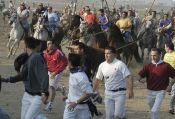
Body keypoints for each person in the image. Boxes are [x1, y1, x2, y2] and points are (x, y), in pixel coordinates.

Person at [2, 37, 49, 119]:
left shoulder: (36, 57)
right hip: (27, 94)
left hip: (37, 96)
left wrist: (44, 92)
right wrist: (7, 80)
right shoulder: (29, 57)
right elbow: (22, 75)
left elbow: (44, 75)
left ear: (26, 46)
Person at [93, 46, 134, 119]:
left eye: (108, 53)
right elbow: (98, 79)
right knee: (109, 116)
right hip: (108, 94)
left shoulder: (120, 64)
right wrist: (94, 91)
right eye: (105, 53)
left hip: (120, 93)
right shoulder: (102, 65)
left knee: (117, 115)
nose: (106, 55)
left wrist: (130, 90)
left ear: (114, 54)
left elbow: (129, 76)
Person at [138, 48, 175, 119]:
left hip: (161, 91)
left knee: (154, 110)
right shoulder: (148, 66)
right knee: (154, 110)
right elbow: (140, 75)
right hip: (150, 91)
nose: (152, 57)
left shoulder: (166, 66)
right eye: (151, 55)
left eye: (155, 55)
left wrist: (170, 85)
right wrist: (140, 79)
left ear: (160, 55)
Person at [63, 53, 93, 119]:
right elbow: (75, 88)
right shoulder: (72, 72)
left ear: (70, 63)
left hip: (82, 108)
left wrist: (75, 102)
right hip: (70, 106)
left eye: (68, 61)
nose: (67, 62)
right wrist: (68, 96)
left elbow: (88, 93)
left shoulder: (81, 76)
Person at [43, 39, 68, 112]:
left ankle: (50, 106)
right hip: (49, 71)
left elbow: (64, 63)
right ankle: (61, 89)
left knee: (52, 88)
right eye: (47, 44)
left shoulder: (58, 53)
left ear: (54, 44)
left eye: (50, 43)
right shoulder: (45, 52)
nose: (48, 45)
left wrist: (56, 72)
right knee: (51, 85)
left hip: (57, 72)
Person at [163, 42, 175, 114]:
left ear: (168, 47)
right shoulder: (165, 55)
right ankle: (171, 107)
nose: (164, 48)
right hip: (169, 77)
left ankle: (171, 108)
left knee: (174, 92)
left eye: (165, 47)